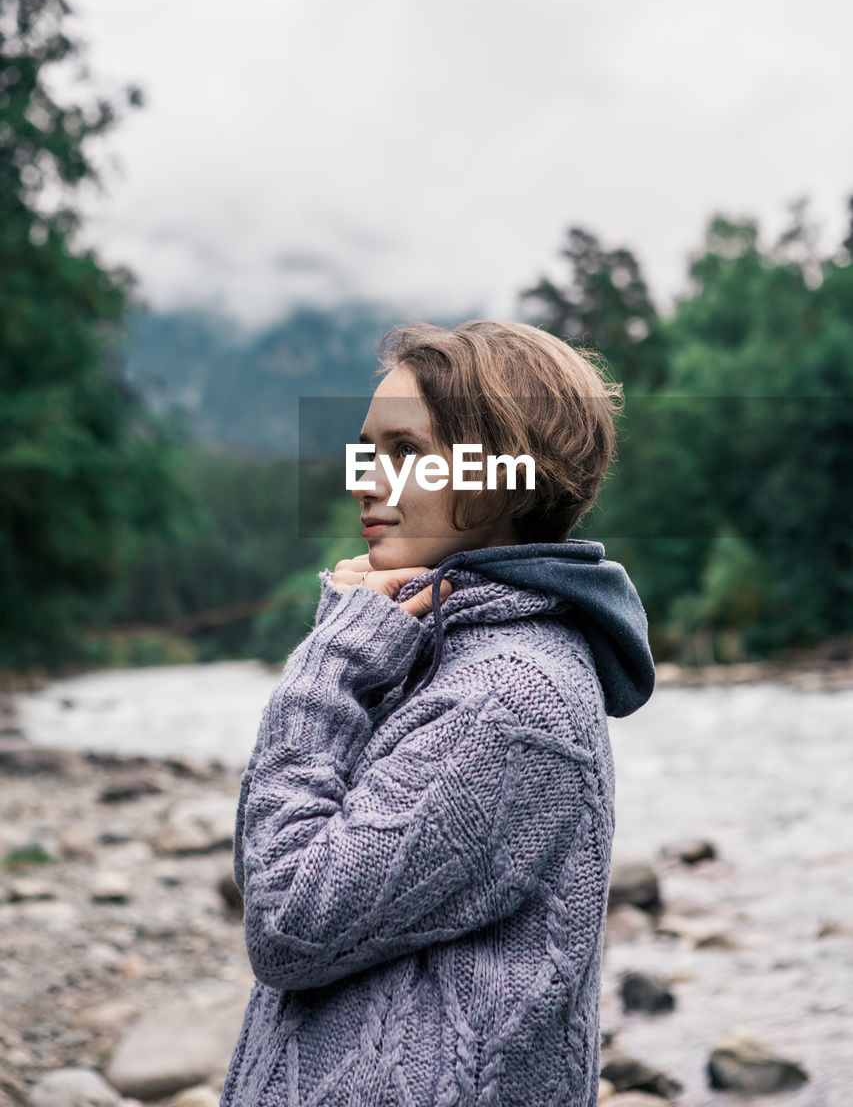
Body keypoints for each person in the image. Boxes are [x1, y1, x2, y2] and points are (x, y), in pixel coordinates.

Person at [220, 319, 655, 1107]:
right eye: (365, 449)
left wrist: (331, 663)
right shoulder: (432, 645)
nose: (362, 478)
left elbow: (285, 920)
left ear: (508, 474)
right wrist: (354, 646)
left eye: (405, 451)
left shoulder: (509, 694)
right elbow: (280, 867)